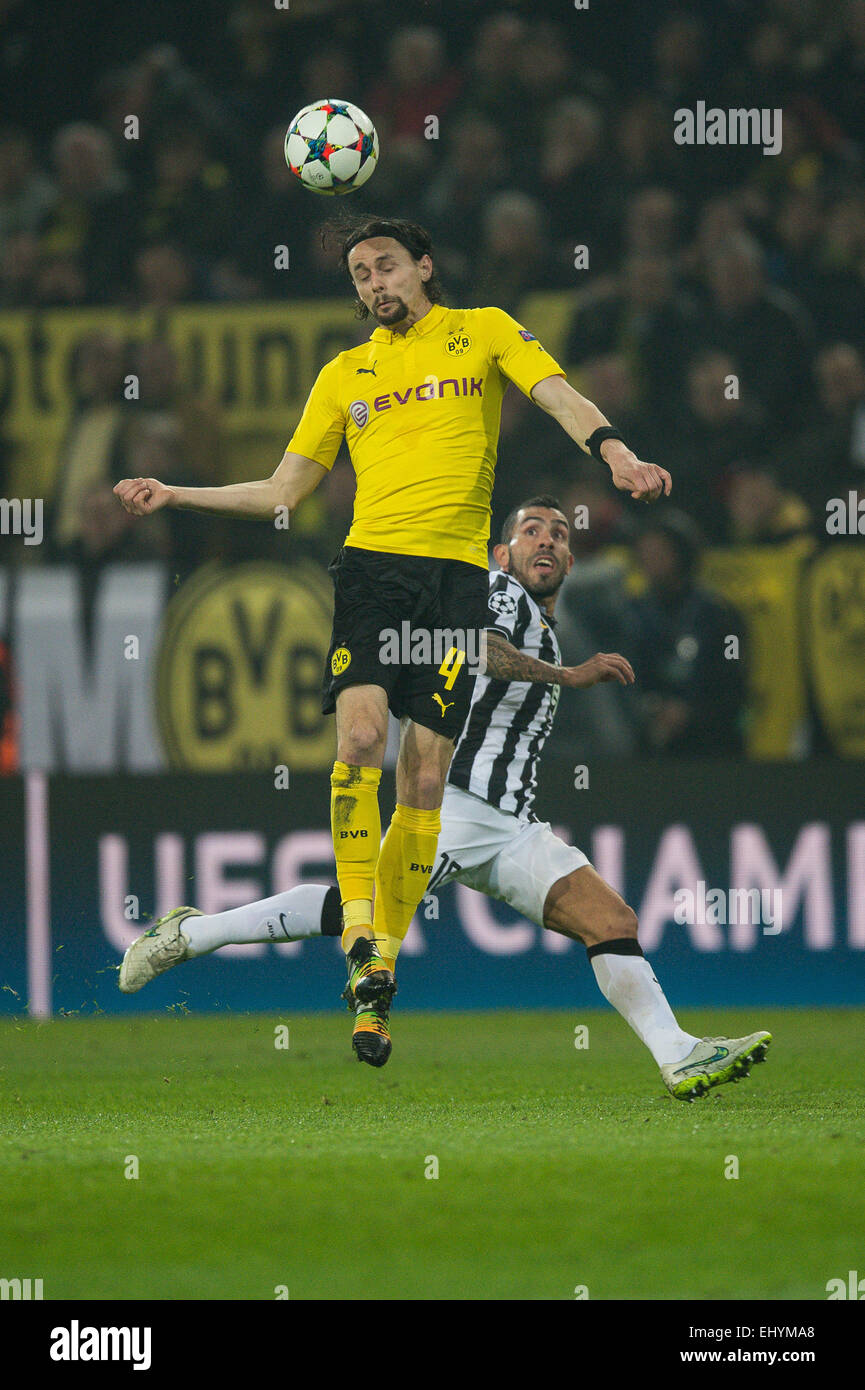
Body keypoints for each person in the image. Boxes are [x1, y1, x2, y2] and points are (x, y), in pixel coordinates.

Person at [114, 215, 671, 1067]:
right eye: (360, 277)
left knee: (421, 779)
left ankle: (344, 947)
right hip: (374, 574)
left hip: (452, 583)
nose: (374, 284)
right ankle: (367, 942)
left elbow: (556, 393)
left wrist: (615, 454)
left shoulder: (480, 332)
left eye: (385, 267)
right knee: (363, 737)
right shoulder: (345, 373)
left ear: (424, 266)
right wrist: (175, 493)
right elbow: (280, 490)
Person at [118, 498, 770, 1102]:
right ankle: (190, 933)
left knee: (611, 922)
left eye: (558, 534)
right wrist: (567, 675)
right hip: (452, 803)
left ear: (571, 561)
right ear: (501, 555)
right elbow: (478, 649)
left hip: (510, 825)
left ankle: (677, 1054)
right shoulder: (500, 596)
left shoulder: (541, 619)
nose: (545, 539)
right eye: (530, 531)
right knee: (359, 911)